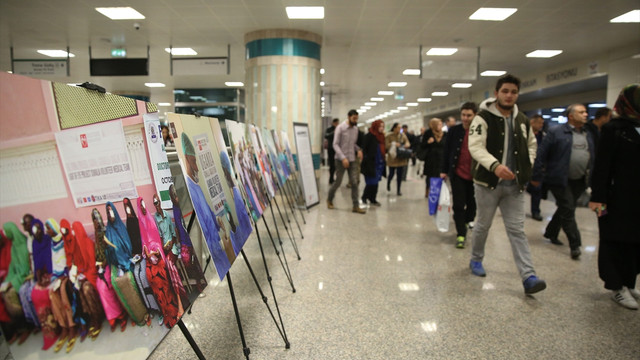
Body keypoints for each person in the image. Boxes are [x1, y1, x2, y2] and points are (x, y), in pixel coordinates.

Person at [467, 74, 546, 295]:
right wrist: (494, 166)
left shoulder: (522, 119)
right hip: (488, 183)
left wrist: (526, 165)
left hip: (515, 186)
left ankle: (529, 276)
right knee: (483, 225)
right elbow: (475, 147)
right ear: (496, 93)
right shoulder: (482, 118)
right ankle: (476, 259)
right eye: (505, 91)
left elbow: (532, 145)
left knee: (517, 230)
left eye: (513, 92)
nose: (509, 95)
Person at [589, 84, 640, 310]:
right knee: (613, 239)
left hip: (636, 199)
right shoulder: (613, 129)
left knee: (634, 241)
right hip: (614, 197)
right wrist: (598, 197)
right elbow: (601, 167)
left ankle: (629, 281)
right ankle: (616, 285)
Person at [531, 104, 594, 259]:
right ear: (571, 116)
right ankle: (575, 245)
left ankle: (551, 232)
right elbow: (541, 154)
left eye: (586, 112)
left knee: (567, 208)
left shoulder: (588, 133)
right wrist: (536, 176)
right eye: (581, 112)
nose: (585, 114)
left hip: (579, 179)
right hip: (559, 178)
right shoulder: (556, 132)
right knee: (567, 208)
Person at [181, 132, 232, 278]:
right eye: (193, 161)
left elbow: (208, 212)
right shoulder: (190, 188)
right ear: (186, 159)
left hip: (216, 243)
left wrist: (217, 222)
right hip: (211, 245)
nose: (197, 168)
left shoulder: (197, 187)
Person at [440, 102, 477, 249]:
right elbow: (446, 151)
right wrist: (443, 170)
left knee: (473, 204)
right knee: (459, 205)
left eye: (469, 115)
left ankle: (467, 221)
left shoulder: (480, 131)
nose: (466, 118)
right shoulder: (454, 131)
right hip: (457, 174)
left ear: (475, 115)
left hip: (475, 176)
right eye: (463, 115)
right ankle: (461, 233)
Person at [327, 110, 365, 214]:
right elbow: (335, 144)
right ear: (348, 117)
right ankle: (329, 199)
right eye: (354, 118)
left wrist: (359, 150)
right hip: (340, 160)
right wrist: (343, 158)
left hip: (352, 159)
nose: (355, 120)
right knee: (338, 182)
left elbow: (352, 144)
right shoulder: (340, 128)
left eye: (356, 118)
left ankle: (355, 206)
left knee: (354, 182)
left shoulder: (355, 130)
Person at [360, 120, 386, 206]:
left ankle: (373, 199)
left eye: (383, 126)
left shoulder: (381, 137)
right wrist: (366, 159)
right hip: (370, 163)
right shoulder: (369, 136)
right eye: (380, 126)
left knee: (376, 182)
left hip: (379, 163)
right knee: (371, 182)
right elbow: (364, 149)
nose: (382, 128)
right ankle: (364, 197)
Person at [420, 118, 446, 198]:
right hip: (431, 159)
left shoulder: (445, 134)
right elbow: (422, 145)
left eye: (441, 124)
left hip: (441, 158)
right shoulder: (428, 133)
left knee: (440, 175)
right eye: (438, 124)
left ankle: (439, 191)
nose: (440, 126)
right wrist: (428, 142)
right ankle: (428, 191)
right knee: (430, 176)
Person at [527, 114, 546, 221]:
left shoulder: (543, 136)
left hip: (538, 167)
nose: (541, 125)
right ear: (532, 122)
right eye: (539, 123)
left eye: (542, 123)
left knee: (537, 190)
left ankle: (535, 211)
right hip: (526, 165)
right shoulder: (524, 134)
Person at [385, 123, 410, 196]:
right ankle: (388, 183)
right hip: (392, 158)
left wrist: (407, 145)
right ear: (394, 128)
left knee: (399, 175)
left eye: (400, 128)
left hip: (401, 158)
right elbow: (386, 145)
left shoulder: (402, 135)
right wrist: (393, 144)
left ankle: (398, 190)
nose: (400, 129)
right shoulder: (389, 135)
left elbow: (407, 142)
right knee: (391, 174)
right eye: (398, 128)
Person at [325, 118, 339, 184]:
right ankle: (331, 178)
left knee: (337, 165)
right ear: (333, 123)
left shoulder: (339, 129)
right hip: (331, 149)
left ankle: (336, 178)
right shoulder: (329, 129)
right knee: (332, 165)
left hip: (337, 149)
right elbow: (326, 136)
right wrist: (334, 132)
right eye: (335, 123)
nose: (336, 124)